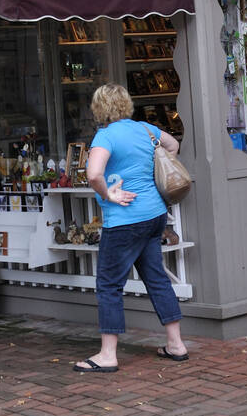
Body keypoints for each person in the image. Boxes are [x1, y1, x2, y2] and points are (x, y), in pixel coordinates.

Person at [73, 83, 188, 373]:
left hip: (125, 220)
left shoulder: (105, 136)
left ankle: (108, 355)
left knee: (109, 285)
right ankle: (176, 344)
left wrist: (108, 194)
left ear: (99, 108)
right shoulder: (145, 129)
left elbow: (94, 173)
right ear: (126, 104)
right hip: (154, 215)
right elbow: (173, 146)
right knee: (157, 278)